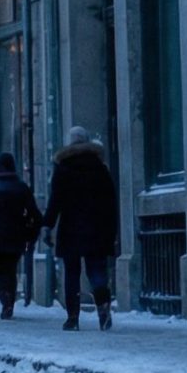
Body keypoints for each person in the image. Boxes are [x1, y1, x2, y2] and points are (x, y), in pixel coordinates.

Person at [44, 126, 120, 330]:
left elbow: (55, 201)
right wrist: (112, 231)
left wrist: (47, 226)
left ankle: (73, 317)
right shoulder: (100, 168)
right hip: (97, 229)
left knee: (72, 273)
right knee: (97, 271)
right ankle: (103, 306)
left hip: (71, 229)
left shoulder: (63, 169)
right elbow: (111, 203)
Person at [0, 152, 43, 319]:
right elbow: (35, 214)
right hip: (16, 235)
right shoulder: (21, 187)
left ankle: (4, 297)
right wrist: (32, 233)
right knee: (11, 270)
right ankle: (9, 301)